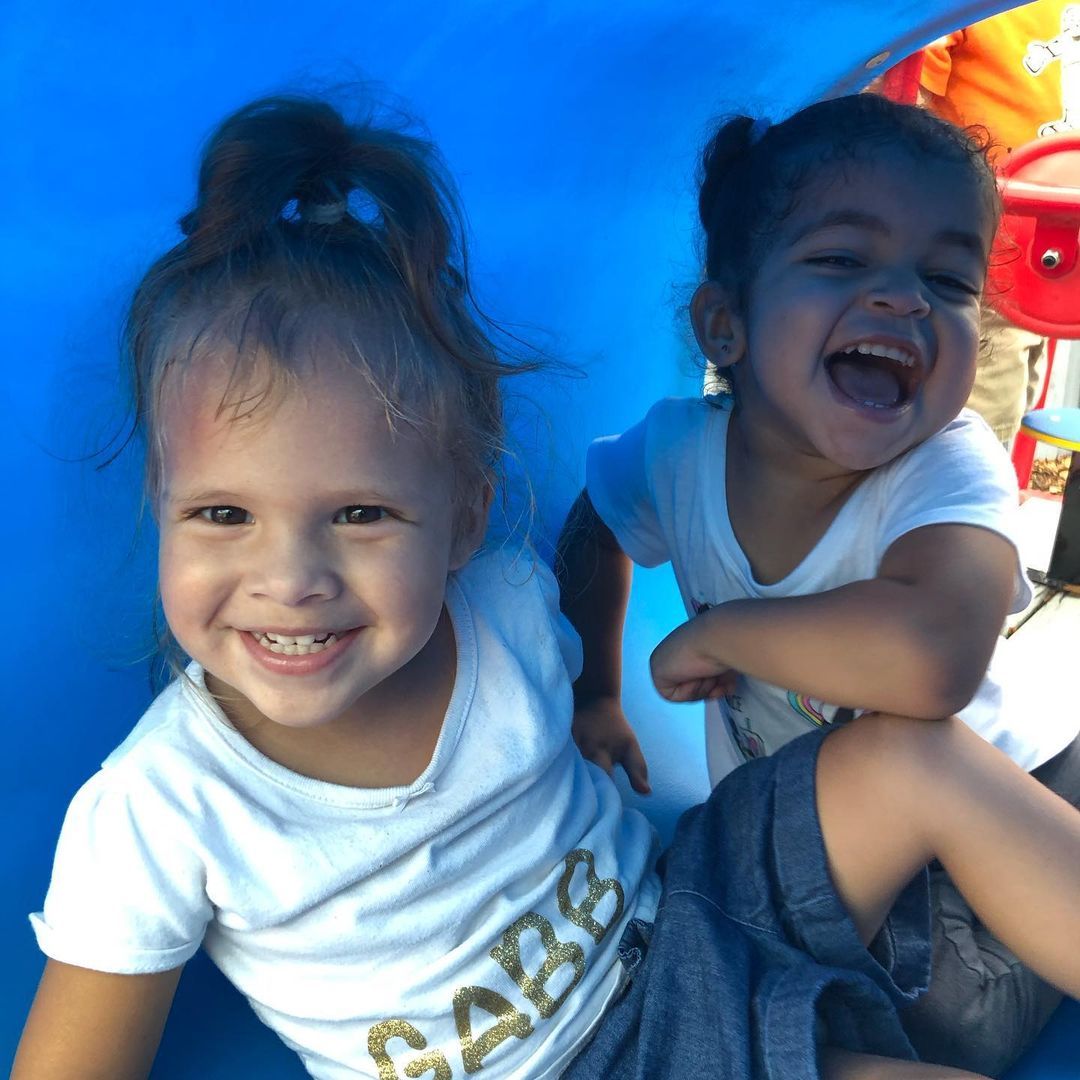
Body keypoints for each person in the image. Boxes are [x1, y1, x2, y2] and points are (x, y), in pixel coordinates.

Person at [13, 91, 1080, 1080]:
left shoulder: (505, 605)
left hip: (690, 909)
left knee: (912, 755)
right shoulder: (161, 810)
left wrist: (599, 696)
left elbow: (592, 554)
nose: (289, 580)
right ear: (160, 506)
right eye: (221, 515)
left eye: (361, 514)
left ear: (464, 519)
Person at [557, 92, 1080, 1077]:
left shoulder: (947, 465)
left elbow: (931, 658)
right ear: (725, 325)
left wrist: (718, 634)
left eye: (948, 279)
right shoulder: (675, 452)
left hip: (1002, 808)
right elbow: (595, 520)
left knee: (906, 1010)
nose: (904, 299)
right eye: (841, 260)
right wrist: (594, 692)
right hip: (848, 844)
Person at [916, 0, 1078, 447]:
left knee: (1023, 366)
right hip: (986, 226)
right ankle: (968, 474)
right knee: (987, 377)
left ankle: (990, 470)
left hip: (1057, 230)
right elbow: (908, 94)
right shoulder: (974, 11)